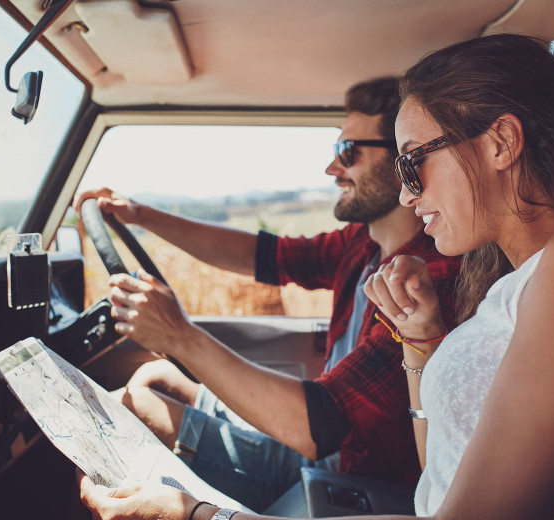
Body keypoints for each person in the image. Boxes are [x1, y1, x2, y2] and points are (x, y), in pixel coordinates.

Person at [78, 33, 554, 520]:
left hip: (352, 472)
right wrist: (421, 342)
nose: (407, 189)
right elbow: (438, 470)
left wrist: (200, 516)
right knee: (147, 388)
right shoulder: (508, 281)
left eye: (412, 161)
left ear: (500, 143)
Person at [75, 77, 461, 511]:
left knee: (129, 407)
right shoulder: (362, 244)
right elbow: (261, 254)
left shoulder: (426, 279)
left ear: (400, 161)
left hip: (347, 474)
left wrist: (179, 335)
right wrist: (141, 215)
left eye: (347, 153)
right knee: (150, 379)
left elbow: (320, 428)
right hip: (327, 444)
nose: (333, 169)